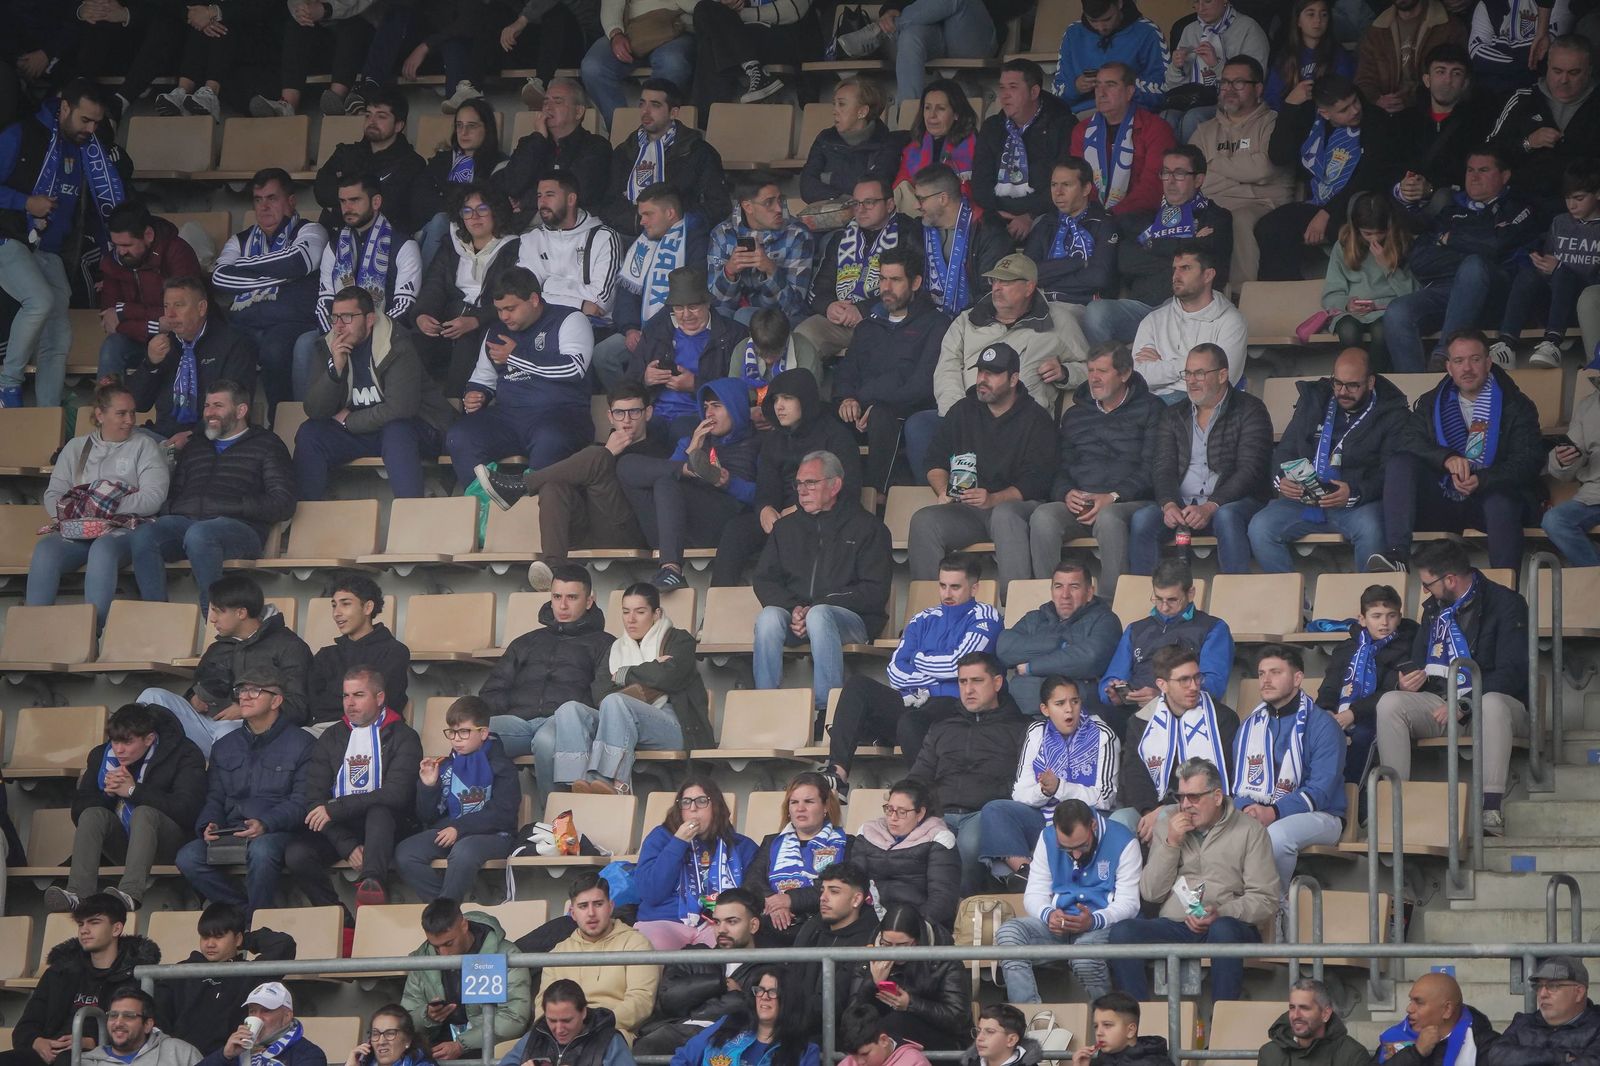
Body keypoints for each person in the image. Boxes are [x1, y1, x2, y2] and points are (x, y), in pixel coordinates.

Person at [1374, 537, 1531, 835]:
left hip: (1494, 705)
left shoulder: (1507, 603)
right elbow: (1419, 659)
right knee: (1390, 703)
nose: (1424, 590)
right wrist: (1408, 679)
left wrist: (1464, 703)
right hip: (1440, 702)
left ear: (1450, 579)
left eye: (1428, 583)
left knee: (1492, 704)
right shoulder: (1434, 607)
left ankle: (1490, 809)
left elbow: (1513, 673)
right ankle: (1394, 806)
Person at [1106, 757, 1279, 1001]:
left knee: (1223, 930)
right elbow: (1151, 893)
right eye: (1181, 797)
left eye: (1194, 797)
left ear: (1217, 797)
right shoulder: (1168, 824)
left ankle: (1221, 1028)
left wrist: (1221, 911)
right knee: (1122, 933)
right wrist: (1171, 843)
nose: (1185, 805)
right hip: (1177, 922)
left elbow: (1265, 899)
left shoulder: (1251, 830)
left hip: (1229, 923)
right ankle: (1138, 1025)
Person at [823, 554, 1000, 791]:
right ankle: (838, 776)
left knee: (910, 721)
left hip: (956, 706)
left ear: (974, 587)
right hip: (916, 701)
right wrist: (933, 678)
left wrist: (918, 660)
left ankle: (925, 794)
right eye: (942, 585)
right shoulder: (922, 618)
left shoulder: (986, 617)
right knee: (858, 686)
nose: (947, 594)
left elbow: (960, 666)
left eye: (955, 587)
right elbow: (895, 671)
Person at [1373, 331, 1546, 571]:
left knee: (1501, 502)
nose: (1467, 368)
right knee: (1400, 463)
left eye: (1474, 359)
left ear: (1488, 362)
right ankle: (1397, 556)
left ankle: (1505, 588)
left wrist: (1483, 479)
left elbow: (1528, 461)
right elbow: (1407, 441)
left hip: (1493, 500)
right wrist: (1446, 458)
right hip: (1446, 497)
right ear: (1449, 367)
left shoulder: (1515, 404)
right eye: (1458, 361)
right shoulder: (1432, 402)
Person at [476, 385, 672, 585]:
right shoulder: (598, 451)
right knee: (553, 485)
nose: (627, 420)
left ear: (648, 413)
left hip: (628, 533)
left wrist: (608, 454)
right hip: (587, 528)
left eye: (635, 412)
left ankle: (521, 485)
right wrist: (607, 451)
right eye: (620, 413)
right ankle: (554, 568)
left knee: (598, 456)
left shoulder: (658, 451)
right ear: (610, 416)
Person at [0, 79, 117, 410]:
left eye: (97, 122)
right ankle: (7, 385)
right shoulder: (20, 135)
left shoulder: (87, 148)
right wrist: (26, 203)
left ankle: (48, 412)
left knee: (59, 337)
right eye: (85, 120)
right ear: (64, 107)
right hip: (7, 237)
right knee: (39, 300)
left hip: (49, 250)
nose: (91, 129)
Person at [1014, 345, 1162, 598]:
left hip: (1129, 501)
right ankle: (1051, 603)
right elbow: (1059, 467)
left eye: (1102, 371)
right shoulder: (1075, 415)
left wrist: (1113, 497)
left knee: (1109, 518)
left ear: (1125, 374)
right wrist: (1066, 493)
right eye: (1090, 370)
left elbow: (1153, 468)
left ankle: (1112, 604)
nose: (1093, 378)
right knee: (1043, 516)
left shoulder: (1151, 409)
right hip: (1080, 501)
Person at [910, 341, 1061, 589]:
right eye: (981, 371)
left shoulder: (1035, 418)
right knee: (924, 521)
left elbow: (1037, 481)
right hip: (969, 510)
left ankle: (1015, 612)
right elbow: (934, 461)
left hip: (1018, 507)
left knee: (1004, 515)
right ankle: (928, 615)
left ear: (1013, 379)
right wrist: (943, 491)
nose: (982, 379)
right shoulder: (963, 410)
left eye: (992, 373)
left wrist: (993, 499)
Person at [752, 451, 893, 711]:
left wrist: (817, 606)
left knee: (819, 614)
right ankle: (765, 705)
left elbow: (874, 590)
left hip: (851, 620)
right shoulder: (785, 528)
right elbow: (764, 579)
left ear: (835, 485)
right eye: (799, 484)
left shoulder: (867, 527)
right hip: (797, 618)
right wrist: (793, 609)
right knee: (769, 617)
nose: (802, 491)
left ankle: (826, 710)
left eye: (811, 483)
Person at [1248, 347, 1409, 573]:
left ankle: (1370, 604)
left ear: (1371, 382)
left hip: (1355, 505)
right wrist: (1282, 479)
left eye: (1352, 385)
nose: (1343, 391)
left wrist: (1355, 492)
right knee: (1260, 527)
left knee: (1372, 529)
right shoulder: (1315, 400)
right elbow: (1285, 448)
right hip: (1305, 500)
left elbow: (1391, 472)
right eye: (1338, 383)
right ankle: (1294, 602)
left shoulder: (1392, 412)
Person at [24, 382, 168, 630]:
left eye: (132, 413)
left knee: (102, 550)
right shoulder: (76, 447)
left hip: (124, 529)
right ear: (100, 415)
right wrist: (74, 513)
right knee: (46, 550)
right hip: (79, 528)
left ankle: (94, 634)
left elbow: (154, 497)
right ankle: (34, 634)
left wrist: (102, 508)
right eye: (121, 413)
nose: (130, 420)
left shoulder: (145, 446)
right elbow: (54, 494)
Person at [172, 666, 315, 917]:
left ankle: (258, 922)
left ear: (277, 701)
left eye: (255, 691)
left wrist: (266, 823)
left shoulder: (303, 743)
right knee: (187, 857)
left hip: (279, 831)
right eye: (241, 690)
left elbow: (302, 801)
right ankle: (244, 913)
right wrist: (209, 823)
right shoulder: (225, 746)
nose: (245, 697)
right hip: (232, 829)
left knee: (261, 850)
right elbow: (215, 796)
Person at [1383, 149, 1541, 374]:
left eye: (1483, 170)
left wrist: (1450, 240)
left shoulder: (1518, 207)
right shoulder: (1451, 210)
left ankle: (1443, 356)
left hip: (1497, 296)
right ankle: (1416, 391)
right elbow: (1420, 261)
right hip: (1448, 290)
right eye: (1470, 170)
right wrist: (1472, 247)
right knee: (1397, 311)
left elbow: (1495, 247)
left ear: (1505, 176)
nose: (1474, 177)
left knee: (1474, 265)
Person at [549, 582, 712, 794]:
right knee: (569, 710)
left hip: (675, 724)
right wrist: (653, 671)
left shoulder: (679, 640)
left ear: (656, 613)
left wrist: (625, 674)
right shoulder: (615, 649)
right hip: (621, 720)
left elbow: (669, 676)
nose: (631, 619)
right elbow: (601, 694)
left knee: (616, 702)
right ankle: (576, 785)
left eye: (640, 612)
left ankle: (613, 782)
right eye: (626, 612)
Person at [296, 287, 454, 501]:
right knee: (310, 433)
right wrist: (335, 370)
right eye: (335, 317)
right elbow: (314, 410)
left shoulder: (396, 344)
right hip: (365, 431)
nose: (339, 325)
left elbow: (400, 409)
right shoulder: (327, 346)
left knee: (396, 431)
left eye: (348, 317)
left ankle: (412, 514)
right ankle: (307, 520)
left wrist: (349, 421)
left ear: (370, 319)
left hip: (418, 427)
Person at [1128, 343, 1271, 575]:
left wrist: (1211, 505)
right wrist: (1168, 503)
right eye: (1188, 374)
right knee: (1143, 519)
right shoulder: (1173, 414)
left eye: (1200, 373)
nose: (1191, 381)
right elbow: (1162, 466)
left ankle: (1234, 598)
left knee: (1226, 517)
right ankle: (1147, 602)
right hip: (1182, 504)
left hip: (1230, 502)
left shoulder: (1250, 409)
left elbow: (1251, 470)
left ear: (1223, 375)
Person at [50, 703, 206, 914]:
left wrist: (134, 791)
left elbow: (188, 810)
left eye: (128, 742)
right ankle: (78, 894)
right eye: (115, 741)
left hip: (170, 846)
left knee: (144, 812)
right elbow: (79, 811)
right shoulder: (101, 756)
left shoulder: (184, 753)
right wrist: (108, 793)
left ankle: (130, 894)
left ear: (149, 739)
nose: (119, 749)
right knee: (93, 814)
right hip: (123, 846)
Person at [288, 667, 421, 910]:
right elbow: (314, 799)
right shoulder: (331, 736)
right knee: (297, 855)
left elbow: (397, 793)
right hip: (341, 828)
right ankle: (339, 917)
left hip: (390, 826)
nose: (350, 703)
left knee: (379, 810)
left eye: (359, 695)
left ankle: (371, 886)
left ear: (379, 698)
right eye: (346, 696)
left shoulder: (404, 736)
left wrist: (336, 808)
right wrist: (347, 846)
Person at [135, 575, 312, 756]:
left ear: (241, 613)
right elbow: (198, 690)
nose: (211, 619)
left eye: (218, 611)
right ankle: (141, 772)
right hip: (210, 727)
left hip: (258, 732)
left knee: (226, 732)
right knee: (151, 697)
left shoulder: (290, 646)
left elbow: (299, 708)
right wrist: (194, 699)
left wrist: (247, 710)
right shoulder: (218, 648)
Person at [448, 267, 595, 483]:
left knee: (550, 439)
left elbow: (574, 368)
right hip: (508, 417)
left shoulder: (569, 319)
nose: (504, 316)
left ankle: (535, 504)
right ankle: (485, 504)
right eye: (499, 310)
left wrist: (515, 357)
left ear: (534, 299)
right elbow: (482, 378)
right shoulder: (496, 331)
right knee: (460, 435)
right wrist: (476, 394)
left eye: (511, 308)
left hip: (561, 415)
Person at [1231, 645, 1348, 920]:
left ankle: (1275, 908)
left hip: (1321, 815)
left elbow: (1320, 790)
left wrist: (1273, 812)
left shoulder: (1322, 725)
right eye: (1261, 674)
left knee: (1277, 836)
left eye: (1275, 672)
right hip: (1260, 812)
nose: (1265, 680)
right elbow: (1237, 784)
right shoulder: (1250, 726)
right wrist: (1249, 808)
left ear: (1297, 679)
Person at [981, 673, 1129, 885]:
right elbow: (1019, 792)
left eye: (1075, 701)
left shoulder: (1103, 734)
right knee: (995, 810)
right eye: (1060, 703)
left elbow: (1106, 797)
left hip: (1087, 819)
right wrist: (1043, 791)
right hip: (1043, 816)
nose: (1069, 709)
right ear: (1045, 709)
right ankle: (1025, 873)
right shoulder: (1036, 732)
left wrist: (1060, 787)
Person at [1082, 146, 1235, 347]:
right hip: (1140, 308)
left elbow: (1207, 266)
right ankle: (1114, 370)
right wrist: (1188, 244)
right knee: (1095, 311)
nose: (1170, 181)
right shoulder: (1144, 218)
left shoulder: (1216, 217)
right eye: (1165, 173)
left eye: (1179, 173)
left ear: (1198, 180)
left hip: (1184, 308)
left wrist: (1151, 245)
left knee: (1174, 310)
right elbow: (1126, 262)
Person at [1257, 74, 1403, 281]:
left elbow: (1370, 177)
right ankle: (1284, 295)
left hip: (1358, 205)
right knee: (1270, 227)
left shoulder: (1375, 120)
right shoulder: (1311, 118)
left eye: (1355, 102)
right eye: (1344, 109)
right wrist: (1289, 106)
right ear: (1324, 113)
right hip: (1318, 200)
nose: (1355, 110)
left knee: (1341, 228)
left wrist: (1326, 213)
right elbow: (1278, 156)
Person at [994, 799, 1141, 1003]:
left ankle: (1109, 1017)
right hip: (1057, 925)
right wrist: (1049, 914)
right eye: (1066, 848)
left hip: (1102, 924)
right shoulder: (1047, 837)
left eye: (1082, 845)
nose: (1076, 854)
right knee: (1008, 933)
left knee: (1084, 957)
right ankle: (1026, 1018)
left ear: (1093, 825)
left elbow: (1130, 904)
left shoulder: (1123, 840)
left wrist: (1093, 920)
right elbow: (1034, 893)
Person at [619, 378, 759, 591]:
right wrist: (691, 451)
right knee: (628, 464)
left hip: (721, 525)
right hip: (675, 528)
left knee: (666, 483)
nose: (709, 413)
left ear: (736, 407)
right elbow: (667, 475)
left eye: (717, 406)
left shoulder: (758, 443)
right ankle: (690, 468)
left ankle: (671, 570)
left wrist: (729, 482)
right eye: (706, 407)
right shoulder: (691, 441)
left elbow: (763, 496)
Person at [908, 652, 1029, 893]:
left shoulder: (1021, 728)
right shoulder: (942, 727)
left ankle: (958, 915)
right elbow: (918, 777)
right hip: (940, 814)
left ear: (997, 683)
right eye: (963, 682)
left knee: (967, 844)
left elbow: (1024, 783)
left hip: (984, 814)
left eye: (977, 681)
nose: (968, 689)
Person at [211, 170, 330, 415]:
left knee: (274, 350)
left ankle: (280, 422)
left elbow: (298, 262)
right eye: (258, 200)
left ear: (291, 201)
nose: (264, 207)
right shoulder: (240, 240)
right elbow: (220, 276)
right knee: (222, 345)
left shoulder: (311, 231)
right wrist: (281, 275)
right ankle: (230, 425)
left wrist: (242, 267)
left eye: (272, 198)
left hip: (293, 322)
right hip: (245, 323)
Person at [832, 247, 949, 494]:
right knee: (823, 416)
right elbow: (847, 371)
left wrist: (874, 403)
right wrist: (847, 398)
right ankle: (837, 496)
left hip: (906, 411)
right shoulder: (869, 326)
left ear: (915, 282)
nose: (886, 287)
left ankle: (878, 496)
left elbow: (923, 384)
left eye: (895, 280)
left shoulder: (936, 324)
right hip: (862, 408)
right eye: (882, 278)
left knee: (882, 416)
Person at [482, 564, 615, 780]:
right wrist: (514, 710)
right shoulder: (525, 641)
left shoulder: (606, 644)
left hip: (565, 725)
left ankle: (556, 811)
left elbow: (602, 698)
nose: (562, 605)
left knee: (545, 741)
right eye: (556, 597)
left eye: (572, 597)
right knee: (473, 734)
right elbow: (492, 690)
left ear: (589, 601)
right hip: (519, 722)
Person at [295, 173, 422, 400]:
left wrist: (364, 333)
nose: (347, 208)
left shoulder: (404, 245)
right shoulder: (334, 247)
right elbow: (325, 301)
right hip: (339, 330)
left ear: (376, 202)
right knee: (305, 345)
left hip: (386, 333)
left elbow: (405, 305)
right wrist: (338, 333)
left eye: (354, 200)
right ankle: (310, 412)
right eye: (343, 202)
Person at [929, 254, 1089, 429]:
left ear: (1029, 287)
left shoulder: (1059, 322)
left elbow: (1091, 368)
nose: (997, 288)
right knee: (919, 425)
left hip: (1022, 423)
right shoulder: (966, 320)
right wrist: (958, 414)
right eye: (994, 281)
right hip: (966, 416)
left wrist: (1066, 372)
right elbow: (946, 369)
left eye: (1005, 282)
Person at [1, 894, 158, 1066]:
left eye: (94, 922)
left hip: (104, 1057)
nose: (84, 930)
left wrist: (90, 1042)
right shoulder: (59, 972)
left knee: (67, 1060)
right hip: (49, 1053)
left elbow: (142, 1031)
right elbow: (26, 1026)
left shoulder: (136, 976)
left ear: (116, 929)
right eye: (81, 924)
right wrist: (38, 1042)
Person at [395, 696, 521, 903]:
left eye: (464, 732)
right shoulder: (445, 766)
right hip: (453, 832)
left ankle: (446, 915)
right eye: (452, 732)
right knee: (406, 853)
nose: (456, 739)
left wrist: (459, 828)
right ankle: (446, 911)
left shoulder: (502, 767)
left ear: (483, 733)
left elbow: (503, 815)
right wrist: (429, 786)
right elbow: (427, 816)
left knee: (464, 851)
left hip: (496, 835)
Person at [1118, 644, 1240, 838]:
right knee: (1120, 822)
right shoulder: (1141, 722)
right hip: (1153, 807)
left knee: (1166, 819)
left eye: (1197, 677)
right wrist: (1150, 811)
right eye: (1184, 680)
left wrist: (1165, 810)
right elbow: (1135, 776)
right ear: (1162, 685)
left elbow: (1223, 777)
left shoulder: (1222, 719)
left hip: (1203, 807)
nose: (1194, 686)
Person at [596, 186, 711, 392]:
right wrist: (630, 328)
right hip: (639, 328)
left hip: (680, 327)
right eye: (641, 216)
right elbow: (626, 293)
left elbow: (692, 293)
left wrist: (651, 333)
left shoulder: (695, 239)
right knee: (604, 355)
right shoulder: (643, 242)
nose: (642, 222)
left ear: (670, 213)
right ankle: (629, 405)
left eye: (648, 214)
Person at [412, 182, 521, 398]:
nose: (474, 217)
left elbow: (513, 297)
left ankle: (454, 404)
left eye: (482, 209)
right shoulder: (451, 246)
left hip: (489, 321)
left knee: (467, 340)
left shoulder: (513, 248)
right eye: (467, 211)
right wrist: (423, 314)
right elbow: (434, 285)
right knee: (415, 340)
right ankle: (410, 405)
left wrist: (475, 320)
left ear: (495, 212)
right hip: (450, 317)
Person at [1192, 56, 1294, 285]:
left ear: (1258, 88)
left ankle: (1242, 296)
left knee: (1238, 218)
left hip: (1263, 204)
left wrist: (1213, 163)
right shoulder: (1205, 130)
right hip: (1213, 203)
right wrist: (1243, 175)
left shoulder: (1273, 123)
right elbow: (1192, 178)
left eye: (1238, 83)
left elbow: (1263, 168)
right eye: (1225, 83)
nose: (1229, 89)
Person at [798, 178, 922, 364]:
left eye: (870, 202)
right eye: (856, 203)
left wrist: (862, 310)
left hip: (888, 318)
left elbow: (913, 289)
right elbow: (820, 287)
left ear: (889, 204)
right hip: (842, 320)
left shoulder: (908, 234)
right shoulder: (841, 238)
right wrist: (830, 306)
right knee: (802, 337)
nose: (861, 209)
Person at [125, 278, 260, 443]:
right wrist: (151, 364)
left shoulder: (234, 344)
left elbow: (234, 406)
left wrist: (192, 436)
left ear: (201, 308)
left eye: (179, 305)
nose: (170, 314)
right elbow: (137, 404)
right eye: (166, 306)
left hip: (212, 438)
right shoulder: (164, 344)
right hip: (162, 437)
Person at [153, 905, 298, 1057]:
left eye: (218, 936)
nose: (210, 944)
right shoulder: (182, 972)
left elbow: (284, 944)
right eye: (205, 937)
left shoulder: (250, 973)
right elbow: (160, 1020)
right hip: (181, 1059)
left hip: (229, 1059)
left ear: (237, 939)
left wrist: (245, 939)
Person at [1494, 161, 1600, 369]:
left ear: (1597, 194)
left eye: (1579, 198)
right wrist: (1539, 262)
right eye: (1568, 198)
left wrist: (1560, 269)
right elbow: (1550, 260)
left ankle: (1552, 343)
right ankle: (1506, 345)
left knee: (1564, 273)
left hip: (1583, 304)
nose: (1572, 205)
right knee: (1528, 274)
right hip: (1553, 302)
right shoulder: (1560, 222)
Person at [635, 888, 766, 1055]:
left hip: (730, 1040)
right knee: (646, 1045)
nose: (722, 929)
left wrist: (696, 1006)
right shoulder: (694, 954)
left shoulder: (768, 967)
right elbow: (669, 1000)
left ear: (753, 925)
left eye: (731, 922)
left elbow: (753, 1014)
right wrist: (720, 984)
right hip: (675, 1033)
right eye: (717, 922)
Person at [634, 776, 759, 950]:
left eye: (701, 801)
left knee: (732, 943)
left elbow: (752, 897)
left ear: (716, 806)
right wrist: (678, 843)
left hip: (717, 924)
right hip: (665, 921)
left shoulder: (741, 846)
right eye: (686, 802)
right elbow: (650, 893)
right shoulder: (661, 838)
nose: (693, 808)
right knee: (649, 945)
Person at [535, 871, 661, 1044]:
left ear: (610, 906)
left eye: (598, 904)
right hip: (562, 1033)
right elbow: (542, 1004)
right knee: (505, 1051)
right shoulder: (559, 952)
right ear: (573, 913)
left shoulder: (636, 944)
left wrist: (592, 1024)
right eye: (583, 906)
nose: (591, 913)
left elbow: (641, 1002)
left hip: (611, 1031)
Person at [624, 267, 748, 440]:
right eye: (679, 308)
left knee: (680, 430)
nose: (686, 315)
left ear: (707, 303)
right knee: (629, 439)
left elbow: (740, 391)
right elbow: (627, 386)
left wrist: (696, 385)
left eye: (693, 307)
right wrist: (645, 379)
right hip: (655, 415)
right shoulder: (654, 332)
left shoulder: (734, 335)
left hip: (700, 417)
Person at [402, 899, 532, 1061]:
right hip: (433, 1052)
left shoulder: (506, 955)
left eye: (449, 943)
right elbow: (404, 1021)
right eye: (436, 946)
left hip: (486, 1049)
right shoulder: (423, 959)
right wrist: (427, 1016)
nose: (443, 954)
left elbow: (514, 1018)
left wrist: (462, 1044)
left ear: (464, 925)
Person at [600, 80, 732, 238]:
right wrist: (636, 222)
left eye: (655, 105)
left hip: (681, 236)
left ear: (674, 113)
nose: (645, 111)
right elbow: (609, 203)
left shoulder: (699, 152)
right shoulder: (624, 151)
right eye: (642, 104)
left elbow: (718, 206)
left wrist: (675, 222)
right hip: (629, 235)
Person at [1317, 584, 1419, 786]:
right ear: (1362, 619)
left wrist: (1353, 713)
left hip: (1377, 716)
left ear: (1399, 617)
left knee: (1362, 736)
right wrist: (1326, 710)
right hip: (1341, 715)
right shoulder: (1347, 648)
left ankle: (1352, 797)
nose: (1384, 623)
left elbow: (1390, 690)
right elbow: (1330, 685)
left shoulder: (1407, 646)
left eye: (1391, 616)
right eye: (1376, 616)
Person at [1101, 559, 1232, 708]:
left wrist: (1164, 698)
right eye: (1158, 599)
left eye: (1172, 600)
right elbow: (1111, 678)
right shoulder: (1135, 629)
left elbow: (1214, 686)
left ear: (1190, 594)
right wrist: (1113, 693)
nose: (1164, 607)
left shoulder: (1213, 628)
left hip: (1185, 714)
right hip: (1132, 712)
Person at [973, 61, 1078, 243]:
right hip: (999, 214)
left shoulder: (1062, 125)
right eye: (1002, 88)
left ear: (1034, 92)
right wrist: (1000, 212)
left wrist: (1030, 215)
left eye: (1013, 87)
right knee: (983, 233)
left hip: (1045, 213)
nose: (1004, 96)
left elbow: (1067, 181)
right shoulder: (992, 127)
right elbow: (980, 182)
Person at [1125, 247, 1249, 400]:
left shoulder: (1231, 321)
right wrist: (1195, 367)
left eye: (1185, 268)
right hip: (1151, 403)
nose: (1176, 276)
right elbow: (1139, 378)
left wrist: (1162, 365)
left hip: (1200, 405)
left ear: (1208, 275)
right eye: (1174, 269)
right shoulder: (1153, 320)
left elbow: (1220, 381)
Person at [1488, 35, 1599, 205]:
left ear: (1590, 70)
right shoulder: (1523, 99)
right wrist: (1528, 143)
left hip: (1583, 211)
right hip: (1520, 204)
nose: (1563, 80)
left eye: (1574, 73)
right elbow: (1489, 153)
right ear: (1547, 66)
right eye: (1557, 71)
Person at [742, 773, 851, 946]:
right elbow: (752, 882)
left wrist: (790, 900)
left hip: (821, 923)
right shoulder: (772, 842)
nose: (800, 808)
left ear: (825, 807)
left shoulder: (847, 843)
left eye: (808, 802)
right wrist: (774, 902)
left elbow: (841, 888)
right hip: (774, 921)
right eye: (794, 802)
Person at [96, 204, 202, 381]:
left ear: (148, 235)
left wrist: (125, 311)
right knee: (112, 346)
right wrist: (154, 325)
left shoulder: (177, 252)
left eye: (127, 245)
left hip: (179, 339)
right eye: (116, 245)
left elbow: (183, 313)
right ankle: (108, 406)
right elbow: (109, 318)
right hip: (138, 338)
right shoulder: (113, 261)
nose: (121, 251)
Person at [996, 566, 1123, 710]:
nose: (1065, 595)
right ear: (1051, 591)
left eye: (1074, 587)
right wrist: (1059, 645)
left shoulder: (1105, 620)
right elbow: (1004, 649)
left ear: (1089, 592)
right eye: (1058, 587)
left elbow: (1090, 659)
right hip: (1022, 715)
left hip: (1078, 718)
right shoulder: (1035, 618)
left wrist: (1030, 667)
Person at [849, 904, 972, 1052]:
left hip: (941, 1038)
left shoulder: (944, 957)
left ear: (918, 940)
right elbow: (853, 1016)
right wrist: (872, 984)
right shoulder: (873, 954)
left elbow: (957, 1018)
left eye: (902, 945)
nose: (893, 953)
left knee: (897, 1022)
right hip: (885, 1037)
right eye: (887, 944)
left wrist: (911, 1003)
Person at [1318, 194, 1417, 369]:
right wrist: (1348, 304)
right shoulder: (1343, 246)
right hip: (1350, 312)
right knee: (1348, 330)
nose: (1374, 239)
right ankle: (1355, 379)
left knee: (1381, 332)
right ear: (1356, 230)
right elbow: (1330, 294)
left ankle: (1377, 382)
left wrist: (1388, 267)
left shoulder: (1402, 243)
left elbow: (1413, 294)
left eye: (1380, 233)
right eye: (1368, 234)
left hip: (1387, 309)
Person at [1069, 62, 1177, 218]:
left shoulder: (1156, 129)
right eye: (1098, 86)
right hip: (1090, 217)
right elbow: (1077, 181)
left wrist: (1111, 215)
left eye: (1110, 85)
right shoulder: (1082, 130)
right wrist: (1094, 216)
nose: (1101, 93)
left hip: (1138, 218)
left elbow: (1154, 187)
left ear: (1129, 92)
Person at [308, 89, 427, 230]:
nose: (372, 121)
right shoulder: (345, 153)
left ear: (398, 126)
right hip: (334, 236)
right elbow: (322, 191)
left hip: (384, 241)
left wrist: (337, 208)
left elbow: (395, 208)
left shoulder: (412, 163)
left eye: (381, 116)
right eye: (368, 115)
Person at [841, 0, 997, 107]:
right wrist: (891, 10)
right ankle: (907, 122)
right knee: (910, 37)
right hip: (934, 34)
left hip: (973, 35)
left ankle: (881, 30)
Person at [851, 779, 961, 931]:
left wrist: (909, 927)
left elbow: (942, 899)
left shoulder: (939, 839)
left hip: (918, 925)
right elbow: (853, 884)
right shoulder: (868, 833)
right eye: (889, 809)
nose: (893, 817)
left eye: (902, 812)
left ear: (920, 813)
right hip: (869, 921)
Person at [706, 175, 814, 328]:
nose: (778, 209)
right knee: (717, 318)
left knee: (743, 316)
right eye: (769, 203)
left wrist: (771, 270)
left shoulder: (797, 234)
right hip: (735, 314)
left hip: (780, 319)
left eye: (780, 200)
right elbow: (716, 304)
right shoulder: (722, 234)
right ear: (748, 207)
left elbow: (794, 307)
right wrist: (729, 272)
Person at [493, 80, 612, 219]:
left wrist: (525, 200)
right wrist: (538, 139)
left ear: (579, 112)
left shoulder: (596, 146)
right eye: (545, 102)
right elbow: (511, 185)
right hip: (524, 226)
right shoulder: (531, 143)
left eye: (557, 101)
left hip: (572, 224)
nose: (548, 108)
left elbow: (577, 190)